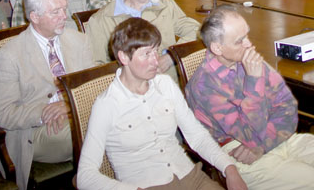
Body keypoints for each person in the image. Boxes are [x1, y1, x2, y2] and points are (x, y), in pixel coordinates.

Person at [186, 6, 314, 190]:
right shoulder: (204, 85)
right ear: (217, 48)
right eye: (239, 41)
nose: (249, 44)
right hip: (238, 153)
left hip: (274, 137)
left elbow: (288, 106)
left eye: (247, 35)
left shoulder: (247, 59)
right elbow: (249, 134)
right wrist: (253, 81)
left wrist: (264, 144)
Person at [77, 18, 246, 190]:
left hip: (191, 177)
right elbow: (85, 176)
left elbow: (197, 136)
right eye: (146, 54)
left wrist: (229, 168)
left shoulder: (165, 85)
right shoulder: (106, 105)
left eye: (156, 51)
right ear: (123, 57)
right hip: (147, 186)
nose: (156, 61)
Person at [0, 0, 95, 190]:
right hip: (36, 131)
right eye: (55, 12)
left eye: (64, 9)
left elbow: (93, 87)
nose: (63, 17)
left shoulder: (79, 40)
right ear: (34, 17)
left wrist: (68, 106)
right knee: (92, 129)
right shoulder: (11, 55)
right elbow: (3, 114)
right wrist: (44, 112)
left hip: (78, 116)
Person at [87, 0, 200, 75]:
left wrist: (170, 56)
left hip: (169, 84)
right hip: (130, 90)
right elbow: (97, 70)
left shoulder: (166, 6)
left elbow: (196, 31)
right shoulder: (101, 20)